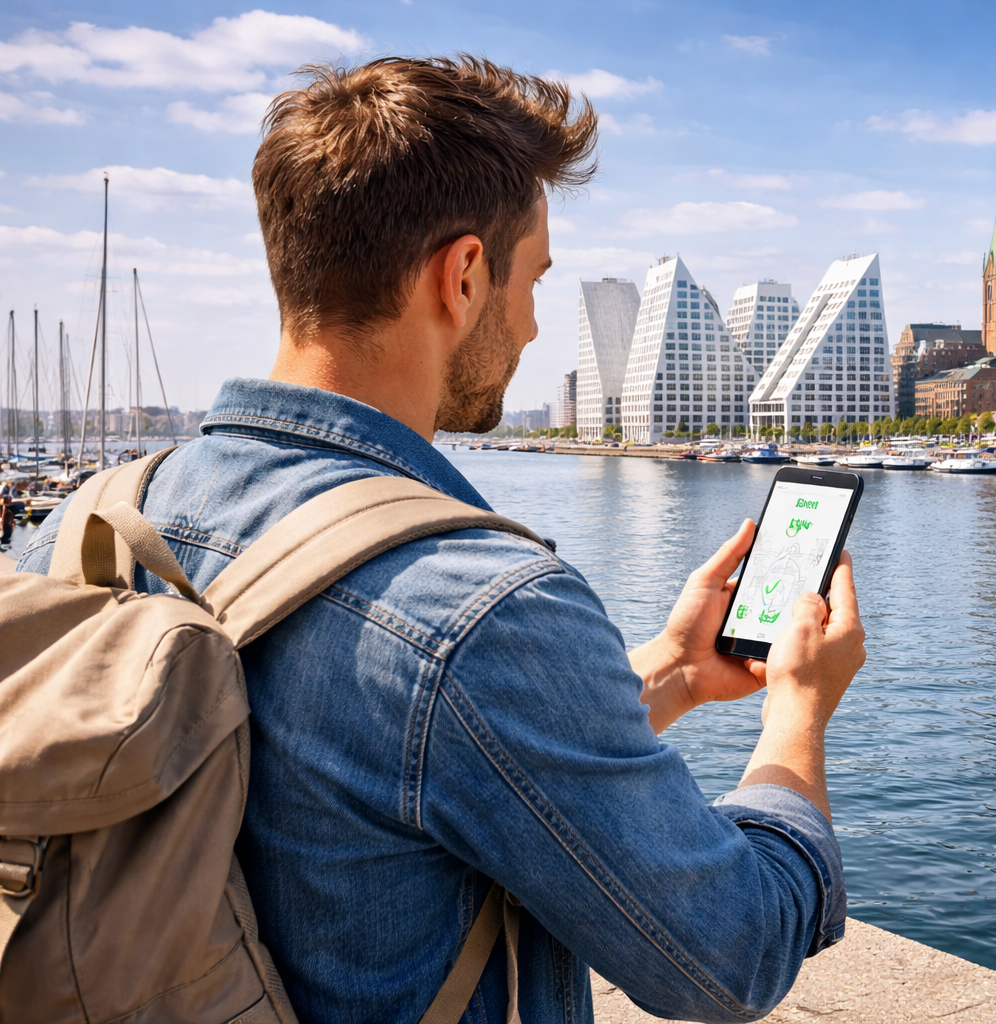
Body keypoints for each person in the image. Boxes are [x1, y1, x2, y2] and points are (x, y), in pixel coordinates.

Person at [17, 57, 866, 1024]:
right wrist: (796, 713)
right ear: (463, 275)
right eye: (533, 281)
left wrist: (670, 671)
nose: (537, 324)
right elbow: (731, 953)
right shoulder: (482, 606)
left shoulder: (77, 525)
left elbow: (401, 751)